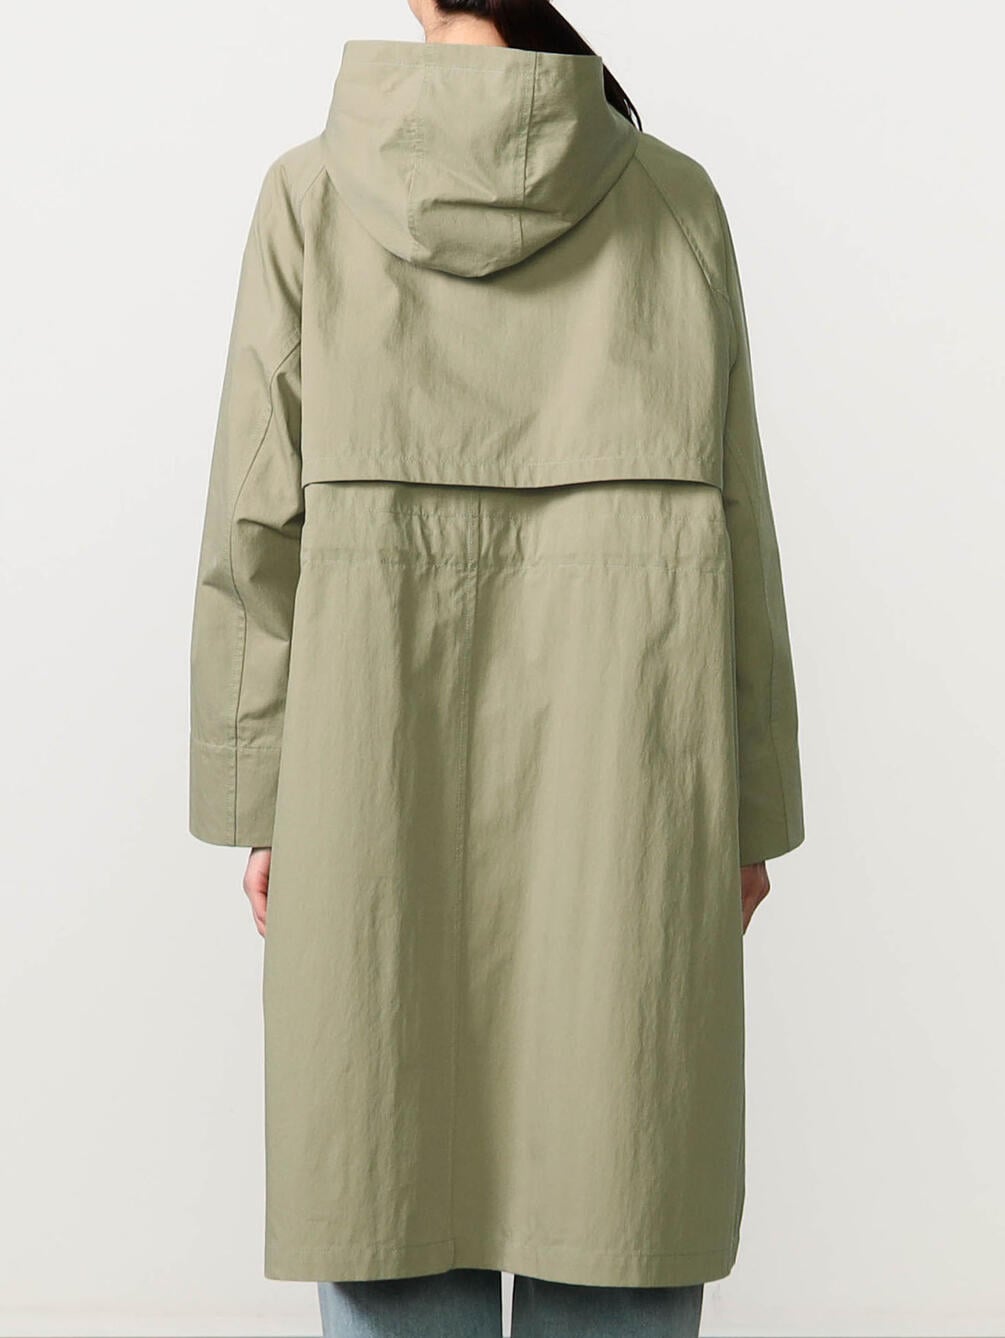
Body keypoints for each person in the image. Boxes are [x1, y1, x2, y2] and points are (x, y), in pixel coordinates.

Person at [188, 0, 805, 1333]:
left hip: (368, 802)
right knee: (619, 1178)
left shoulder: (307, 203)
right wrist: (750, 814)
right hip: (631, 820)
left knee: (387, 1163)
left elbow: (252, 530)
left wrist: (258, 800)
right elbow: (742, 534)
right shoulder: (675, 207)